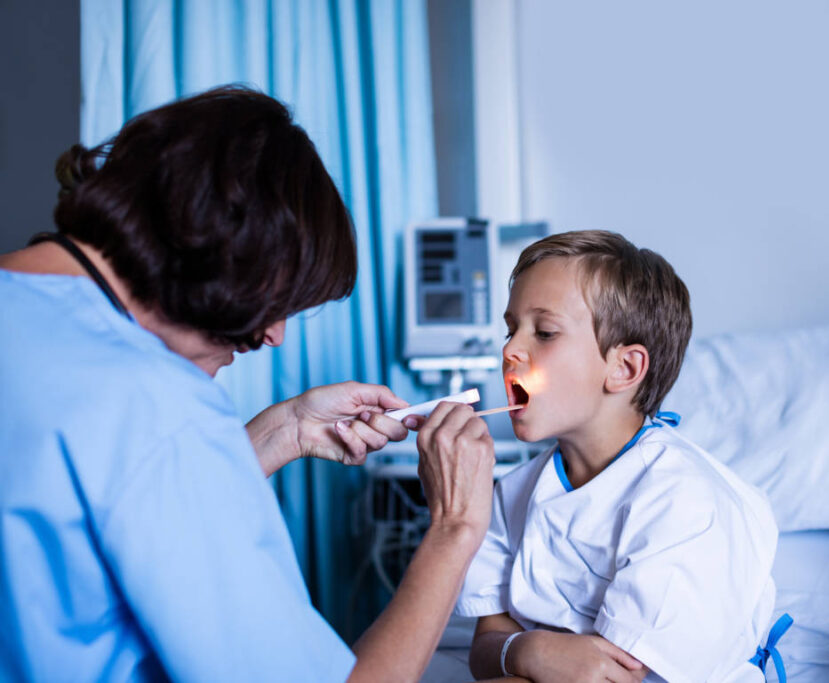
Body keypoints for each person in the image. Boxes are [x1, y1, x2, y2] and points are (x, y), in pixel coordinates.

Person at [0, 86, 495, 681]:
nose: (275, 336)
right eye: (275, 302)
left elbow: (100, 509)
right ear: (224, 255)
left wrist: (283, 430)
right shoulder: (159, 406)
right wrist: (455, 530)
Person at [455, 230, 780, 682]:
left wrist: (522, 655)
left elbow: (616, 675)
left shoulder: (683, 503)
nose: (509, 350)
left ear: (623, 368)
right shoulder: (511, 495)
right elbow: (485, 646)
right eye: (511, 329)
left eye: (544, 332)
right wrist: (526, 649)